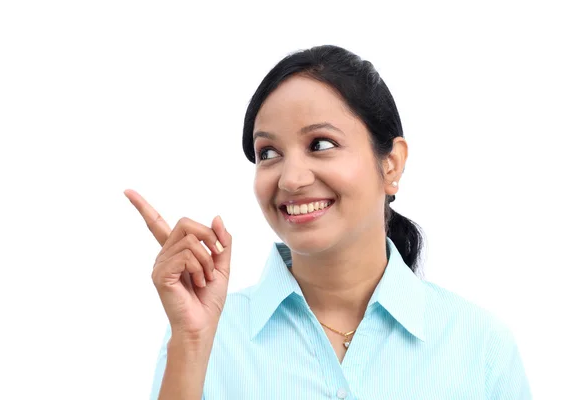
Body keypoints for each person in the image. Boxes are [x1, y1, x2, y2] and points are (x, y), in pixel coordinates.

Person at [124, 45, 531, 400]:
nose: (290, 178)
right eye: (268, 152)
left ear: (391, 164)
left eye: (320, 144)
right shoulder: (204, 334)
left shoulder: (479, 346)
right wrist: (192, 343)